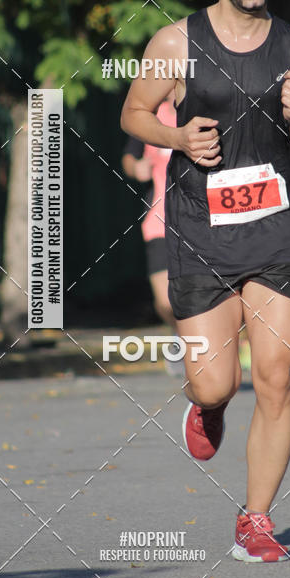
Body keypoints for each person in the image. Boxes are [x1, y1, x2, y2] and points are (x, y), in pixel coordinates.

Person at [121, 0, 290, 562]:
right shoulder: (173, 43)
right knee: (217, 384)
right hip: (202, 230)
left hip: (275, 229)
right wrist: (177, 135)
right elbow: (133, 111)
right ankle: (205, 408)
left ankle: (257, 519)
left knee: (276, 377)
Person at [122, 91, 182, 375]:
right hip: (159, 221)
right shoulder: (151, 118)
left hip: (200, 222)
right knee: (165, 301)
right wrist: (137, 168)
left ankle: (203, 345)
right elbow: (129, 158)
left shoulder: (200, 114)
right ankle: (179, 333)